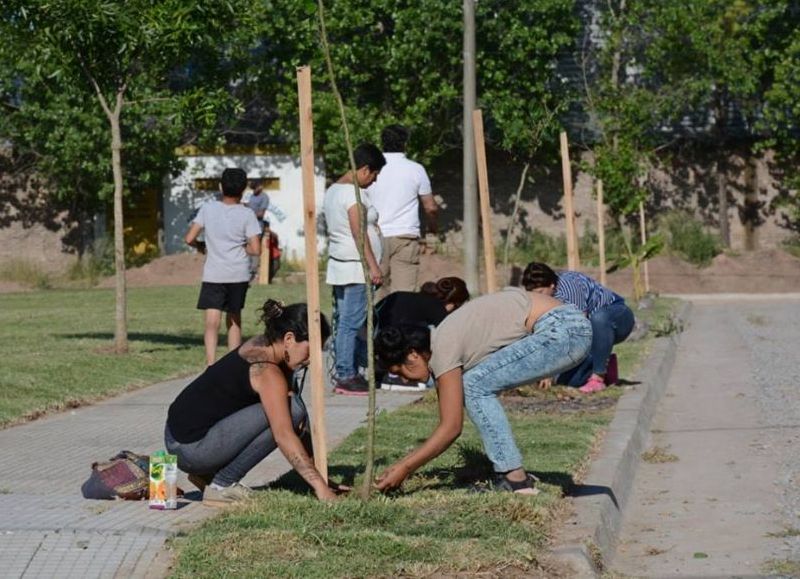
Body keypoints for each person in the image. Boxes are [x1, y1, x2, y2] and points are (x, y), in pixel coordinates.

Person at [373, 286, 592, 494]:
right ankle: (513, 475)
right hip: (567, 324)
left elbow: (451, 427)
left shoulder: (443, 349)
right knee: (474, 382)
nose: (405, 380)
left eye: (401, 372)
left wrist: (405, 468)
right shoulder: (444, 337)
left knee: (474, 386)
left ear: (412, 355)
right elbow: (448, 414)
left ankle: (514, 480)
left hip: (562, 330)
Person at [164, 300, 343, 506]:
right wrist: (322, 489)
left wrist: (322, 478)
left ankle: (207, 476)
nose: (311, 360)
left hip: (179, 438)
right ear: (289, 339)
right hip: (192, 449)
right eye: (310, 351)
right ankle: (221, 485)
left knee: (293, 410)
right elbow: (284, 435)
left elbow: (300, 426)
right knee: (291, 410)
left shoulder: (264, 345)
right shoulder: (267, 371)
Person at [323, 143, 386, 396]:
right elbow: (358, 232)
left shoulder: (333, 190)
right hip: (356, 268)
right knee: (351, 323)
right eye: (373, 175)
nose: (373, 181)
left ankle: (351, 368)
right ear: (364, 169)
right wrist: (373, 267)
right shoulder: (352, 194)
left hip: (342, 265)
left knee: (346, 322)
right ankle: (346, 374)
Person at [185, 168, 262, 366]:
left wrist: (202, 246)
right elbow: (255, 249)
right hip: (237, 274)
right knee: (234, 319)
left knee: (211, 322)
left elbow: (189, 238)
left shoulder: (208, 209)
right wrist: (239, 245)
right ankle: (232, 362)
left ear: (221, 186)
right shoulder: (247, 214)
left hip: (214, 273)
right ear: (244, 189)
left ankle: (210, 364)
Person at [521, 262, 635, 393]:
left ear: (551, 285)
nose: (537, 297)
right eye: (533, 294)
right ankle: (607, 368)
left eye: (541, 292)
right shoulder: (539, 300)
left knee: (598, 318)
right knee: (567, 380)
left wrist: (551, 369)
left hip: (616, 318)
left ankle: (598, 376)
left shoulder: (570, 287)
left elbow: (578, 329)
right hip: (590, 332)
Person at [367, 124, 438, 299]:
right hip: (405, 238)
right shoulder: (416, 169)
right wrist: (432, 228)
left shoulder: (369, 170)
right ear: (405, 143)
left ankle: (378, 326)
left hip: (375, 237)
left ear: (381, 142)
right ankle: (400, 326)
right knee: (404, 296)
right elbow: (430, 207)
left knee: (376, 294)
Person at [375, 276, 469, 391]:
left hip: (375, 329)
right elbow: (450, 339)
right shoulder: (438, 308)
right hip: (389, 335)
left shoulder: (420, 300)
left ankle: (385, 374)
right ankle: (395, 377)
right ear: (453, 304)